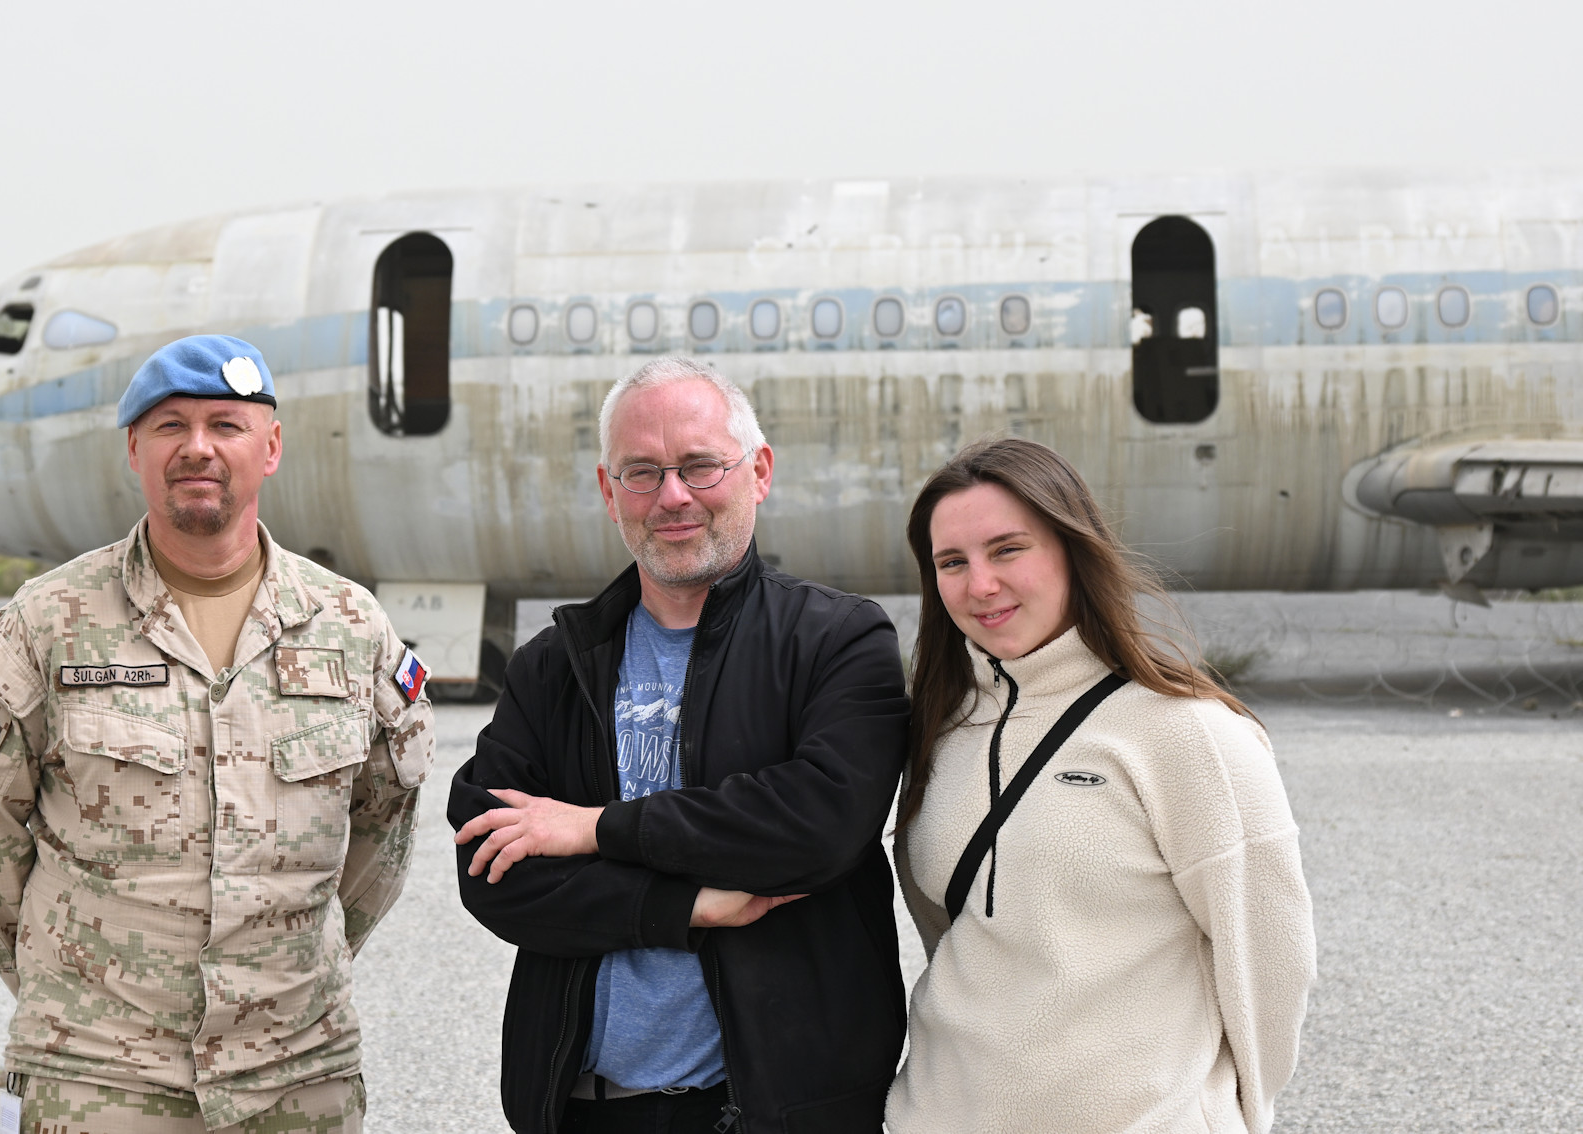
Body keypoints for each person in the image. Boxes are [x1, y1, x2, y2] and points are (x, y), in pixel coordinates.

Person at [0, 334, 433, 1134]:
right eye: (170, 426)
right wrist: (74, 980)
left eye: (226, 424)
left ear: (271, 447)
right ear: (134, 448)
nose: (199, 447)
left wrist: (283, 964)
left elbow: (381, 830)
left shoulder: (350, 626)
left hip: (296, 1069)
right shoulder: (48, 624)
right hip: (102, 1074)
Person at [448, 356, 911, 1134]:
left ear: (758, 471)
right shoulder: (556, 662)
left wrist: (593, 829)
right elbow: (491, 869)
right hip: (585, 1107)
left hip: (776, 1111)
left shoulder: (838, 640)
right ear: (608, 492)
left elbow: (816, 825)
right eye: (642, 473)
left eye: (700, 465)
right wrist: (687, 906)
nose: (672, 496)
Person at [888, 438, 1317, 1134]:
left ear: (1071, 549)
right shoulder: (938, 732)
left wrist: (1223, 1115)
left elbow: (1270, 963)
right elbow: (955, 938)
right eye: (952, 563)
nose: (981, 585)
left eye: (1007, 549)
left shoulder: (1188, 734)